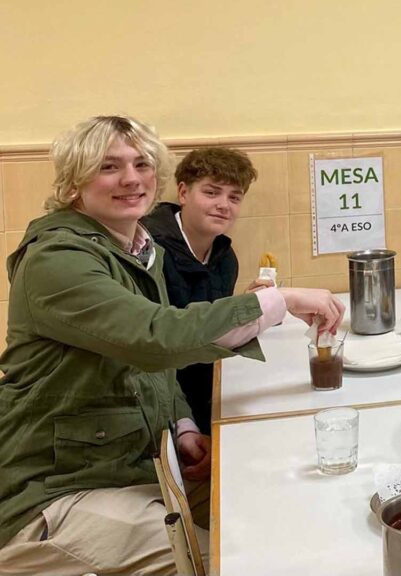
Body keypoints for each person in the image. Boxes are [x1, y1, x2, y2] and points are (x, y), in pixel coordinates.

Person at [0, 116, 344, 575]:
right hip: (56, 492)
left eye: (142, 164)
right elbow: (158, 338)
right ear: (73, 183)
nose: (131, 178)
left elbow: (151, 365)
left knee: (271, 495)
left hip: (131, 466)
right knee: (230, 560)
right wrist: (278, 300)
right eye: (108, 167)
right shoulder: (57, 260)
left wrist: (181, 425)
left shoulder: (137, 249)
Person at [142, 147, 259, 434]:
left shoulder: (225, 258)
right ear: (183, 193)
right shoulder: (148, 251)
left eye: (234, 197)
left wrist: (245, 306)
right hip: (163, 409)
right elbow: (151, 346)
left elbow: (211, 332)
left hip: (208, 394)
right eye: (211, 192)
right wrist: (185, 425)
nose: (224, 205)